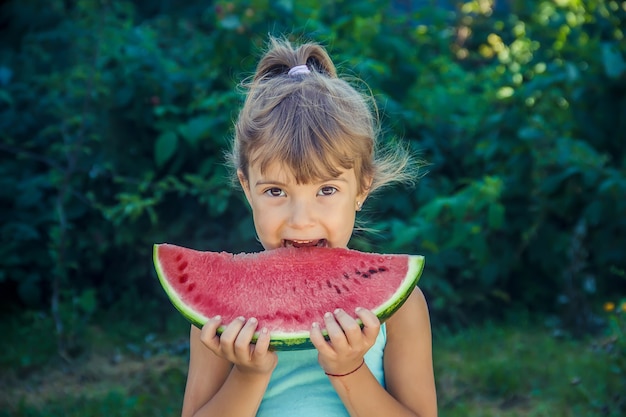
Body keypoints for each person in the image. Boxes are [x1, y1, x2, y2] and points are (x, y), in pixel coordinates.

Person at [181, 36, 437, 417]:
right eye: (274, 191)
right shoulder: (220, 315)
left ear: (362, 189)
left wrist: (349, 369)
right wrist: (249, 374)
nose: (301, 219)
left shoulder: (402, 308)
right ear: (247, 189)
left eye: (327, 189)